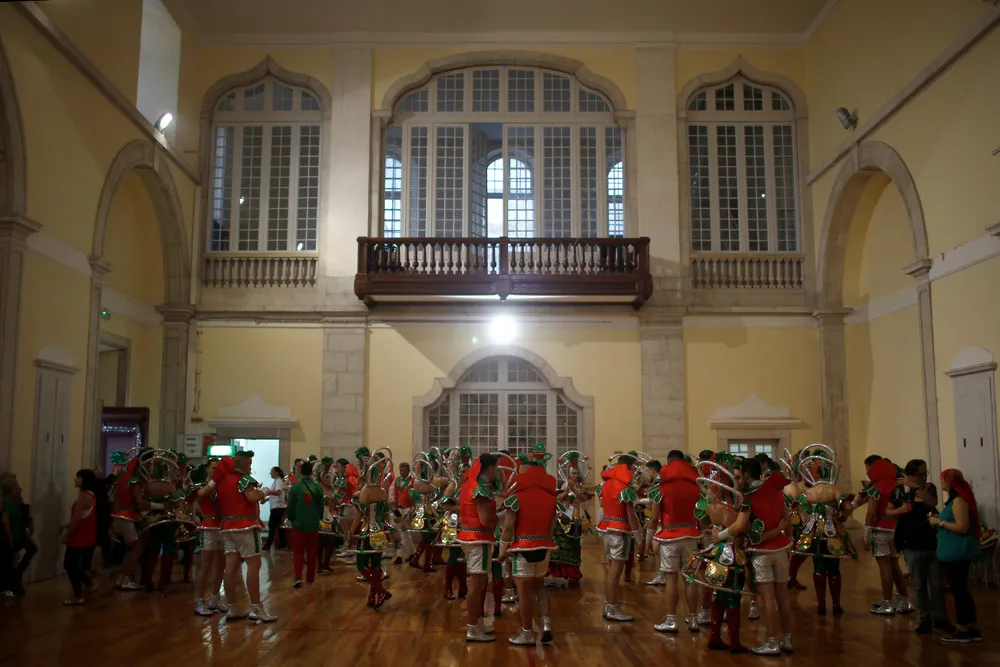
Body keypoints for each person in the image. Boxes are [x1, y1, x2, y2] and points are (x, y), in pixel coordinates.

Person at [682, 452, 748, 654]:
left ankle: (714, 636)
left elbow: (703, 524)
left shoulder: (711, 505)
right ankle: (734, 641)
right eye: (736, 477)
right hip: (734, 553)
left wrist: (717, 533)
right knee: (733, 596)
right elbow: (740, 527)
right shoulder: (739, 505)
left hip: (716, 552)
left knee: (719, 595)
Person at [498, 444, 557, 646]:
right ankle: (546, 623)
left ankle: (527, 632)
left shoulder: (516, 498)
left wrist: (502, 551)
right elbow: (552, 526)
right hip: (544, 547)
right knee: (540, 587)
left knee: (523, 593)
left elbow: (508, 527)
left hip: (522, 548)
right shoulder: (550, 498)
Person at [212, 451, 276, 622]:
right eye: (249, 463)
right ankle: (256, 608)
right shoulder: (243, 479)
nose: (250, 467)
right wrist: (264, 491)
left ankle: (232, 607)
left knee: (230, 567)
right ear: (242, 464)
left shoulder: (222, 481)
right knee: (254, 565)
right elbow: (252, 497)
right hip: (245, 525)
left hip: (227, 527)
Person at [792, 445, 856, 615]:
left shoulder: (809, 492)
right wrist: (841, 517)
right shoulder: (834, 490)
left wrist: (810, 520)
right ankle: (836, 604)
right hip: (832, 532)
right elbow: (848, 507)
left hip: (813, 532)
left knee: (818, 566)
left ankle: (821, 603)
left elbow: (801, 510)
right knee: (834, 568)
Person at [890, 459, 951, 634]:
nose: (924, 477)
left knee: (938, 585)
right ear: (910, 475)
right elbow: (887, 511)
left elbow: (932, 502)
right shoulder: (899, 490)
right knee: (919, 585)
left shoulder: (928, 488)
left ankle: (940, 618)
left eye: (925, 473)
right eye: (920, 474)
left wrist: (917, 487)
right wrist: (900, 510)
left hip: (932, 542)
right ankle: (924, 619)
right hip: (911, 543)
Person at [741, 457, 794, 655]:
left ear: (746, 474)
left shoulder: (748, 497)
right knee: (783, 597)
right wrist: (787, 539)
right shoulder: (777, 493)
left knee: (768, 598)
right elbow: (788, 520)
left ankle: (772, 641)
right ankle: (787, 639)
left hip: (761, 552)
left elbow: (744, 527)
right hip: (780, 549)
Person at [647, 450, 701, 633]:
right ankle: (693, 619)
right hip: (691, 536)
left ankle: (671, 620)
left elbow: (654, 518)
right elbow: (701, 515)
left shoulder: (661, 487)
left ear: (669, 463)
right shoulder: (695, 486)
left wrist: (648, 540)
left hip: (669, 537)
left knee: (671, 579)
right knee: (690, 578)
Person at [932, 469, 983, 644]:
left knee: (959, 591)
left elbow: (962, 527)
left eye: (942, 479)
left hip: (958, 553)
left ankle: (963, 628)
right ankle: (970, 625)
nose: (941, 482)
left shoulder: (959, 501)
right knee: (960, 590)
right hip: (953, 552)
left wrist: (939, 522)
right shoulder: (954, 500)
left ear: (949, 482)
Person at [457, 453, 499, 642]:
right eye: (496, 468)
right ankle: (472, 627)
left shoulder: (469, 484)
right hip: (478, 538)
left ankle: (477, 623)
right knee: (476, 584)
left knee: (478, 583)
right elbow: (485, 519)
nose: (496, 472)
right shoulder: (480, 488)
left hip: (469, 535)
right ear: (490, 468)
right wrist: (502, 516)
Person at [864, 457, 912, 615]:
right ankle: (905, 600)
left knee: (884, 567)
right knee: (894, 565)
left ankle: (887, 602)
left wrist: (866, 535)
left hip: (881, 529)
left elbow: (872, 513)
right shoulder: (899, 486)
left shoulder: (875, 488)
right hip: (897, 530)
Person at [598, 454, 641, 622]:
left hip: (607, 528)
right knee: (616, 573)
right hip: (620, 530)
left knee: (611, 571)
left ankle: (608, 604)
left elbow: (603, 504)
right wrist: (638, 536)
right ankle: (612, 607)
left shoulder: (606, 484)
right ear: (628, 467)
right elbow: (631, 514)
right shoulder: (625, 488)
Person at [350, 454, 393, 609]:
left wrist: (351, 532)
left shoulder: (365, 491)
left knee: (362, 564)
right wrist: (392, 532)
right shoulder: (383, 491)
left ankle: (380, 591)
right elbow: (387, 515)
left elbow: (358, 515)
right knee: (376, 565)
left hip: (366, 531)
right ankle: (371, 597)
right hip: (380, 531)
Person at [191, 460, 227, 616]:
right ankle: (199, 600)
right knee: (206, 565)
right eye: (214, 468)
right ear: (206, 470)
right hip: (208, 527)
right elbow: (200, 495)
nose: (216, 470)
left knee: (221, 564)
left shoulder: (223, 485)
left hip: (222, 527)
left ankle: (215, 598)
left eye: (219, 468)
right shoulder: (201, 485)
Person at [60, 470, 98, 605]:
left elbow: (76, 519)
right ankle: (89, 584)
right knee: (75, 564)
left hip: (79, 536)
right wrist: (66, 526)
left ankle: (77, 595)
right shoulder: (92, 495)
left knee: (69, 564)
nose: (75, 480)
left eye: (78, 477)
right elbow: (83, 517)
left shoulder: (83, 496)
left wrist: (67, 534)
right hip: (87, 535)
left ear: (84, 480)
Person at [110, 451, 146, 590]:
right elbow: (140, 503)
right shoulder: (134, 479)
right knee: (137, 548)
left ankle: (122, 578)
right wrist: (161, 506)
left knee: (131, 549)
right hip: (126, 517)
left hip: (118, 516)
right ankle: (126, 578)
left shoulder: (123, 476)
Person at [287, 460, 323, 588]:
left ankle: (298, 577)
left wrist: (291, 519)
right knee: (312, 553)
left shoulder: (295, 488)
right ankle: (310, 578)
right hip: (313, 525)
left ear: (301, 472)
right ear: (311, 473)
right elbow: (321, 507)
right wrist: (318, 518)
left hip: (298, 524)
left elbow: (290, 507)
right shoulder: (317, 488)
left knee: (298, 552)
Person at [392, 461, 416, 564]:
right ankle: (412, 554)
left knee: (403, 533)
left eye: (404, 470)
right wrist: (393, 508)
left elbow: (416, 496)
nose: (402, 472)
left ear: (408, 470)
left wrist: (413, 510)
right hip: (398, 509)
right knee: (404, 533)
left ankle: (399, 556)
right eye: (401, 470)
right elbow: (393, 494)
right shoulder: (396, 481)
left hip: (408, 509)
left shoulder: (413, 481)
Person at [263, 467, 288, 551]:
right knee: (278, 526)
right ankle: (282, 544)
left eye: (271, 471)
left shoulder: (278, 481)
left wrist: (267, 491)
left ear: (276, 473)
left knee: (272, 526)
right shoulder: (276, 481)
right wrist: (267, 499)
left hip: (278, 507)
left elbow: (278, 492)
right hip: (276, 507)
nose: (270, 473)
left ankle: (268, 545)